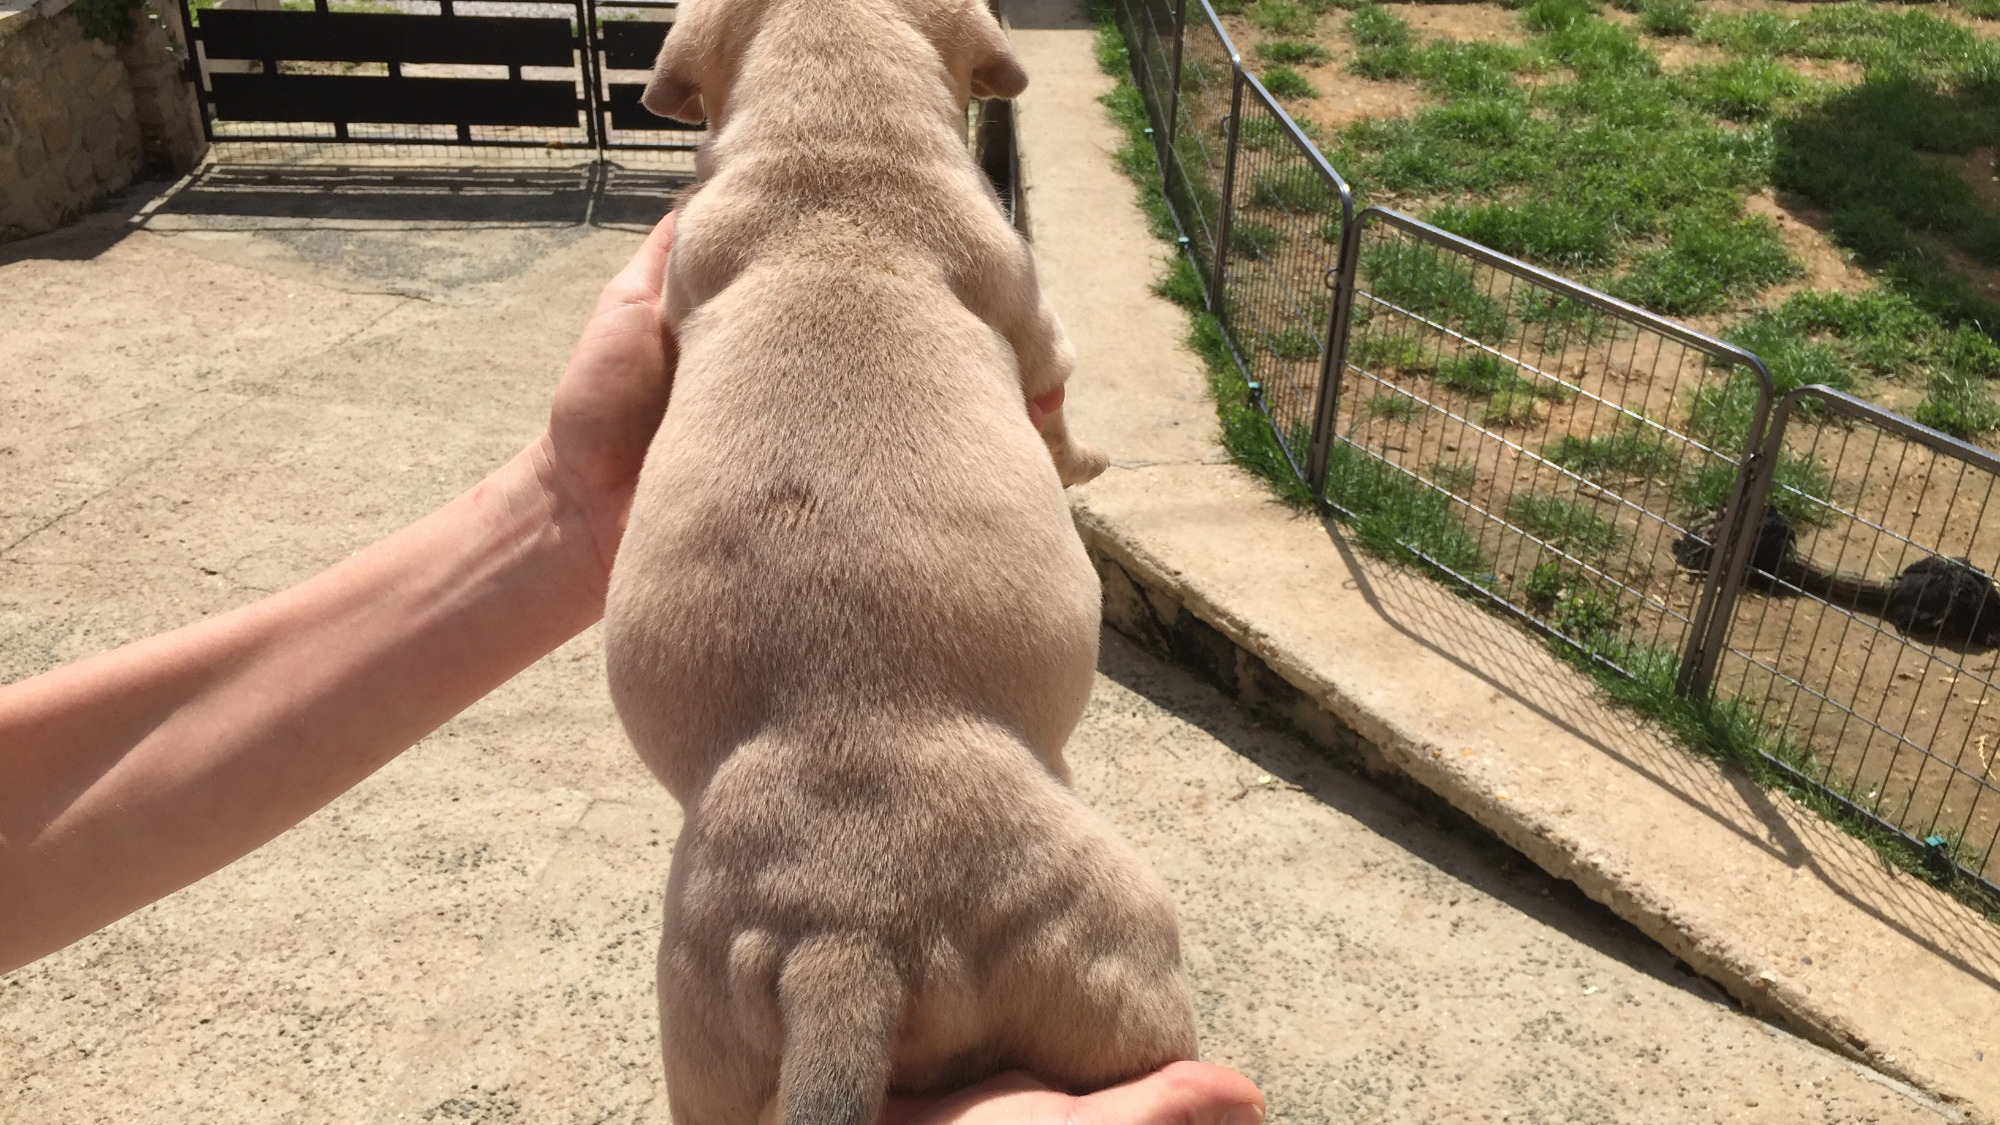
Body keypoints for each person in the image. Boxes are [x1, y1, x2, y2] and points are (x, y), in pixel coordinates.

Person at [0, 214, 1265, 1125]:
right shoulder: (974, 233)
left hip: (745, 923)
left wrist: (569, 509)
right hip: (1051, 886)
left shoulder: (717, 233)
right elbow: (1040, 367)